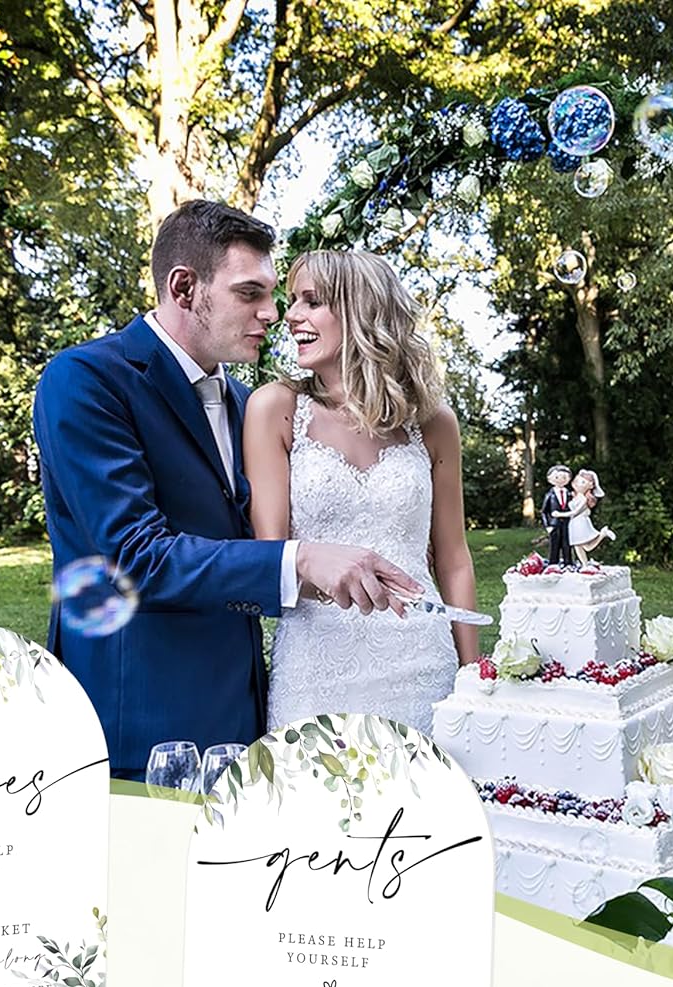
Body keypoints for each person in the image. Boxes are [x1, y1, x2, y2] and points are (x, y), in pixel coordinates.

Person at [33, 201, 420, 780]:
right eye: (249, 293)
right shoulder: (87, 380)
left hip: (244, 714)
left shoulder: (247, 403)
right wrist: (302, 559)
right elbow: (133, 557)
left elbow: (251, 538)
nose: (274, 313)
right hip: (138, 721)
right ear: (184, 288)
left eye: (272, 293)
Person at [245, 249, 479, 734]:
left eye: (312, 301)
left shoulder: (434, 423)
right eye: (294, 301)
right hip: (314, 670)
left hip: (422, 663)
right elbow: (272, 556)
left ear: (361, 310)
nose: (291, 316)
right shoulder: (274, 408)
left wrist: (472, 675)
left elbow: (454, 558)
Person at [559, 468, 615, 564]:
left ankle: (602, 535)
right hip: (574, 523)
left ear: (590, 486)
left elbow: (575, 512)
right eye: (577, 480)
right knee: (582, 546)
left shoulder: (583, 499)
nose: (577, 483)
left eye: (582, 482)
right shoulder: (575, 496)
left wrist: (560, 514)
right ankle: (584, 564)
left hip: (580, 522)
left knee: (582, 545)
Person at [539, 464, 574, 565]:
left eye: (564, 477)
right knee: (554, 545)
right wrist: (547, 526)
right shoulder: (550, 495)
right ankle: (553, 563)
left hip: (567, 524)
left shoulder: (569, 494)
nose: (560, 480)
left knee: (567, 544)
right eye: (557, 477)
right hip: (554, 524)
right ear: (550, 479)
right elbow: (544, 511)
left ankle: (568, 562)